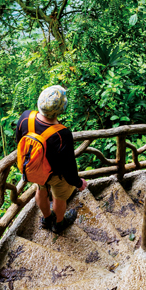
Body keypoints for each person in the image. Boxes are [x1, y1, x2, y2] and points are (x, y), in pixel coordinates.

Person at [16, 85, 86, 234]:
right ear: (61, 109)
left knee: (41, 190)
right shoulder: (62, 134)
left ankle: (47, 219)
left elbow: (19, 142)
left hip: (35, 169)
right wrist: (78, 182)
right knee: (59, 198)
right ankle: (59, 224)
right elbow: (69, 166)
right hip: (55, 175)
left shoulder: (26, 118)